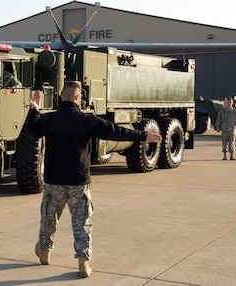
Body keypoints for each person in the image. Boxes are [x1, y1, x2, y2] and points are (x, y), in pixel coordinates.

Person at [28, 81, 162, 278]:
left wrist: (35, 110)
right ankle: (84, 262)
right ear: (77, 98)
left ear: (61, 96)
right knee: (82, 222)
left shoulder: (49, 120)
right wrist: (144, 136)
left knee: (49, 218)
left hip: (54, 180)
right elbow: (117, 131)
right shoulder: (87, 121)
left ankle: (45, 252)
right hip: (79, 182)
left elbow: (32, 131)